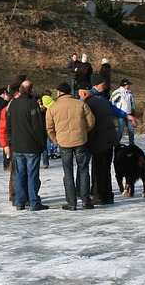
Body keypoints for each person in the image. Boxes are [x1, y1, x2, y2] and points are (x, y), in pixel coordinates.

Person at [46, 81, 94, 210]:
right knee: (83, 170)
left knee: (68, 172)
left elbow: (49, 128)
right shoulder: (80, 105)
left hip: (64, 143)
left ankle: (71, 203)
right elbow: (91, 121)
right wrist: (83, 132)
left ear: (60, 93)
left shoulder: (53, 108)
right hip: (80, 141)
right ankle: (85, 200)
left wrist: (56, 139)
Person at [82, 80, 130, 206]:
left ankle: (99, 196)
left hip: (99, 140)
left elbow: (90, 125)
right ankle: (108, 195)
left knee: (98, 169)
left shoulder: (88, 104)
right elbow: (113, 111)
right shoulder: (103, 101)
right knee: (106, 169)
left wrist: (88, 142)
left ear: (84, 94)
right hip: (110, 139)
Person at [8, 80, 48, 211]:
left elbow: (9, 126)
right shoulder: (32, 104)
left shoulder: (13, 105)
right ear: (31, 90)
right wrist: (42, 142)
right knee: (32, 175)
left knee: (20, 175)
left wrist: (11, 141)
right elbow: (38, 126)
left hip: (18, 145)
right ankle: (34, 202)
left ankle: (19, 202)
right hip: (31, 145)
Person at [111, 79, 136, 145]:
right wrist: (115, 110)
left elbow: (132, 102)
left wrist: (133, 110)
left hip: (128, 114)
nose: (129, 86)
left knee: (131, 129)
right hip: (120, 114)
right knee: (120, 130)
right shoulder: (117, 92)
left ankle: (131, 144)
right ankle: (116, 143)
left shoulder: (130, 93)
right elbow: (111, 101)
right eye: (128, 84)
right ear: (124, 85)